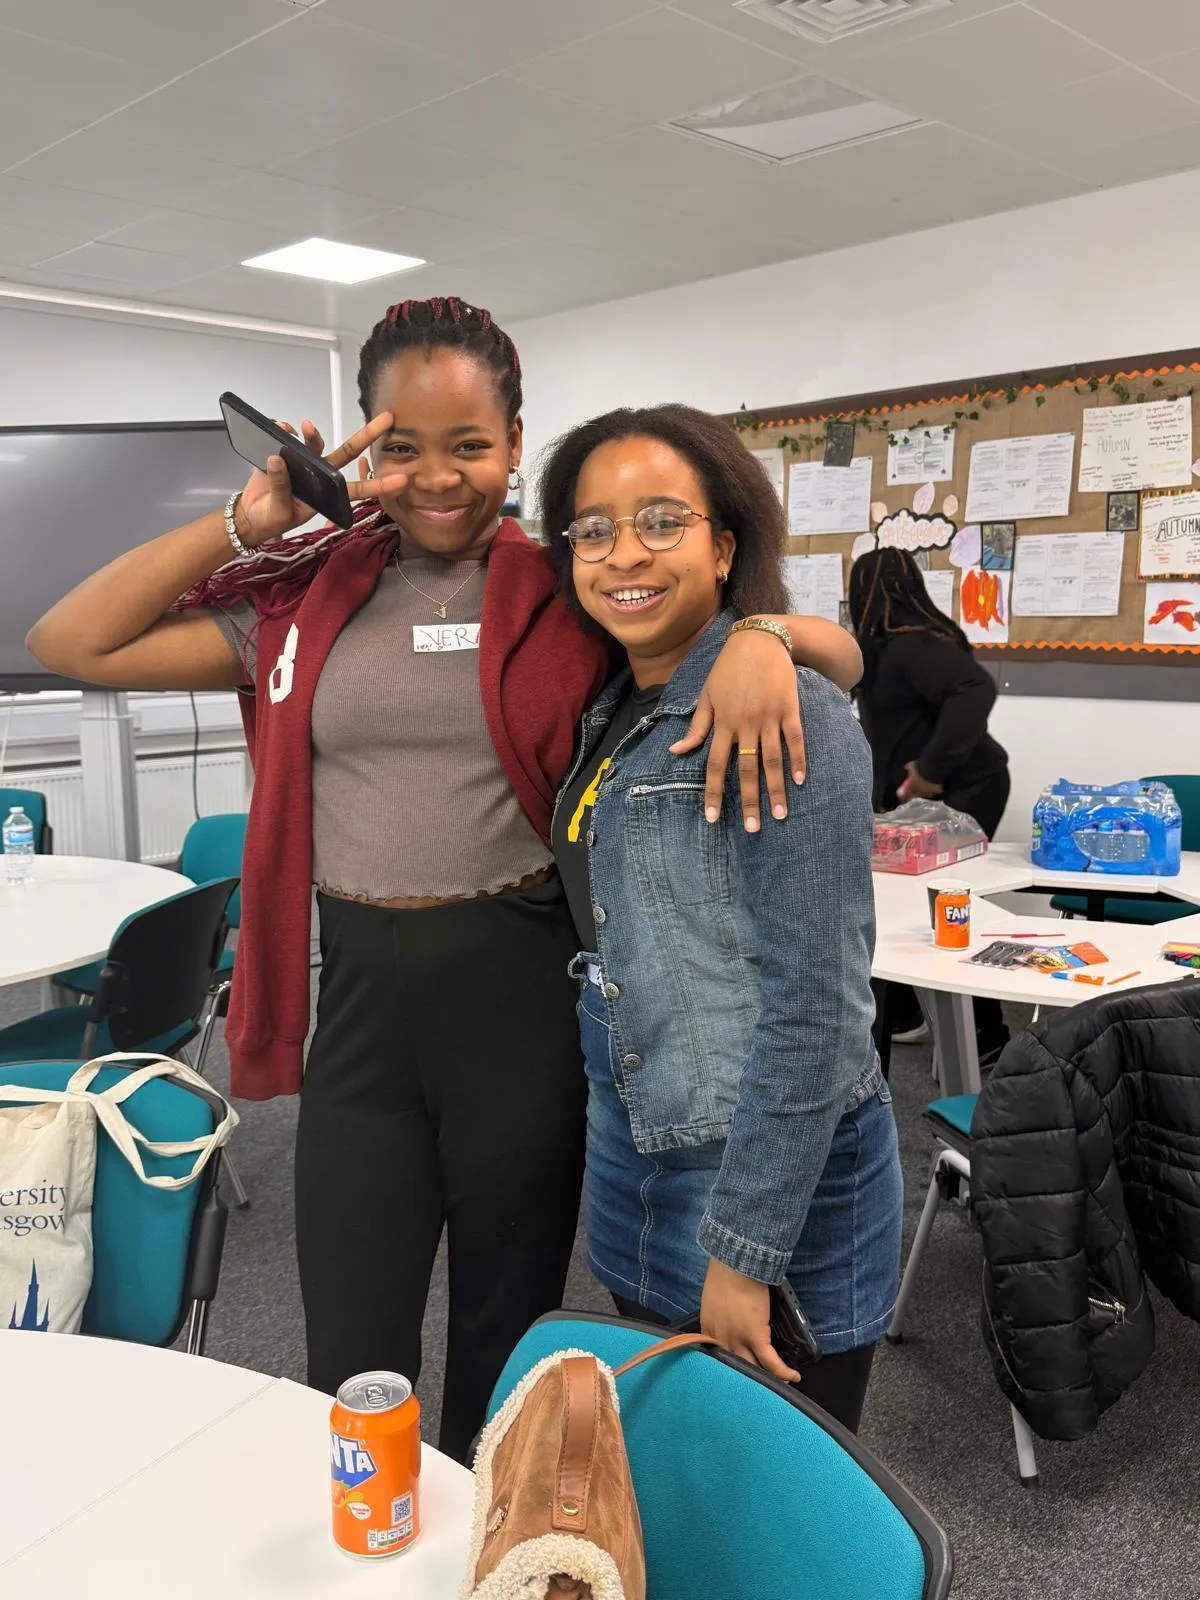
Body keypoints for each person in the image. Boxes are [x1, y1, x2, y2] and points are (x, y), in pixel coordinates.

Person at [26, 298, 863, 1461]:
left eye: (468, 444)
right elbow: (71, 641)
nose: (435, 477)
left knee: (501, 1349)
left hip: (521, 1006)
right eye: (403, 446)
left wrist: (770, 639)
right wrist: (244, 522)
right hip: (363, 1016)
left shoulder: (570, 584)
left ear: (515, 443)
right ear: (360, 447)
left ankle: (481, 1539)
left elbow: (785, 640)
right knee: (348, 1357)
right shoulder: (300, 596)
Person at [540, 404, 902, 1434]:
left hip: (768, 1179)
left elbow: (820, 1008)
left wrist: (746, 1249)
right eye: (595, 529)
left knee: (775, 1490)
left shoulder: (788, 712)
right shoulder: (614, 707)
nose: (625, 553)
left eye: (662, 520)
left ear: (724, 545)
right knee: (675, 1462)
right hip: (636, 1149)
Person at [847, 546, 1011, 1059]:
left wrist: (930, 771)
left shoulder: (911, 646)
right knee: (901, 901)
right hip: (920, 799)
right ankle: (906, 1015)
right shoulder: (881, 649)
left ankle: (984, 1034)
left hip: (969, 786)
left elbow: (976, 688)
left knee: (948, 903)